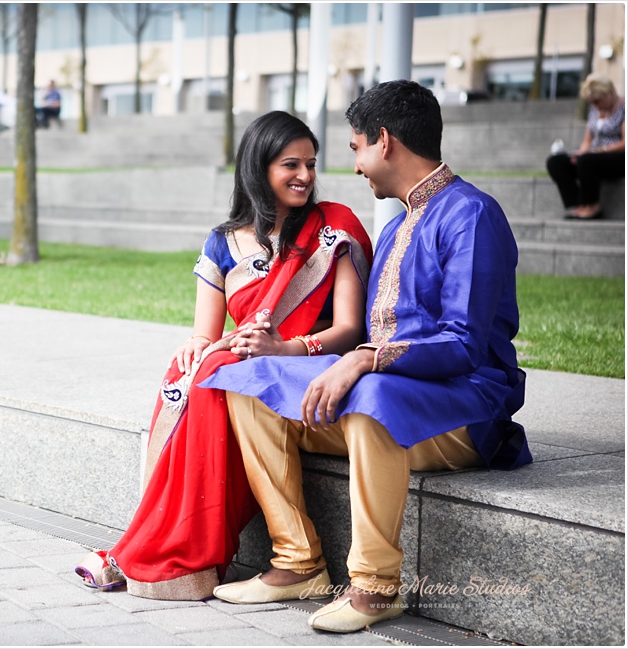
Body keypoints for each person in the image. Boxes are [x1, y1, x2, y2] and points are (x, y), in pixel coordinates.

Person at [202, 80, 532, 633]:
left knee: (371, 394)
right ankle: (298, 560)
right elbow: (366, 333)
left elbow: (464, 344)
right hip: (388, 402)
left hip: (466, 410)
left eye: (355, 148)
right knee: (249, 380)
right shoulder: (400, 221)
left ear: (384, 141)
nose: (354, 165)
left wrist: (364, 360)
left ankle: (377, 587)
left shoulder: (471, 215)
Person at [73, 111, 373, 600]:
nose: (305, 176)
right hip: (246, 355)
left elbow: (349, 329)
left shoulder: (332, 228)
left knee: (221, 369)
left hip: (308, 362)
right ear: (259, 168)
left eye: (311, 164)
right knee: (192, 367)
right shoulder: (221, 241)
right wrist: (196, 345)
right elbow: (206, 333)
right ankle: (158, 536)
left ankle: (180, 548)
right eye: (290, 164)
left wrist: (284, 346)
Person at [546, 75, 625, 220]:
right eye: (591, 102)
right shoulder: (595, 111)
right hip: (594, 157)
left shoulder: (624, 107)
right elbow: (587, 140)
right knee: (556, 162)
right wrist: (580, 153)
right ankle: (579, 204)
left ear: (609, 93)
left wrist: (599, 151)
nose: (594, 105)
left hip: (618, 157)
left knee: (588, 160)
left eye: (597, 101)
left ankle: (592, 206)